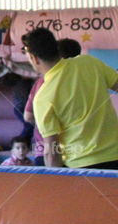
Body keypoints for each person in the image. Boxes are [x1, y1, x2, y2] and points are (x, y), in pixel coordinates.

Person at [23, 28, 118, 169]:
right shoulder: (89, 62)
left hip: (80, 167)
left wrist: (55, 177)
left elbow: (52, 152)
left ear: (34, 58)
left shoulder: (42, 98)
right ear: (56, 47)